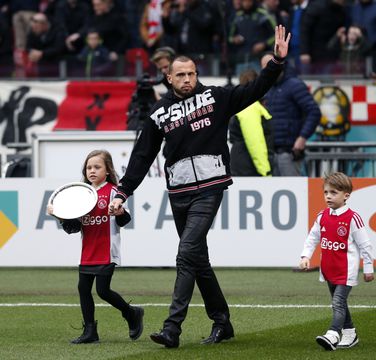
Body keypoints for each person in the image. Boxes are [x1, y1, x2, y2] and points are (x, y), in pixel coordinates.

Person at [109, 25, 291, 348]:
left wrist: (276, 63)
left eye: (191, 73)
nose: (187, 80)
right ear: (169, 77)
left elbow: (255, 89)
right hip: (178, 193)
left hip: (210, 187)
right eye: (180, 75)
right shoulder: (159, 113)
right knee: (198, 261)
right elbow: (141, 156)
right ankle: (222, 322)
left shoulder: (217, 97)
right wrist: (123, 191)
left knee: (186, 252)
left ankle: (172, 328)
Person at [46, 150, 144, 344]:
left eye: (97, 167)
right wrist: (59, 215)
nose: (92, 171)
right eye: (89, 167)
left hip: (107, 250)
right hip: (88, 251)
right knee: (83, 288)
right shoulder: (82, 194)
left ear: (107, 170)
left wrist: (120, 211)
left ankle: (131, 313)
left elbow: (126, 219)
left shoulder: (114, 192)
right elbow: (73, 228)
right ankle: (90, 331)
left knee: (102, 290)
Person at [299, 172, 374, 351]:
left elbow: (366, 245)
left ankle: (332, 334)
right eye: (326, 193)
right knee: (339, 301)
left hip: (345, 270)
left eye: (333, 193)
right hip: (328, 270)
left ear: (346, 195)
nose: (328, 196)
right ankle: (350, 333)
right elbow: (312, 238)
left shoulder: (352, 218)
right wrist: (305, 256)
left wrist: (369, 267)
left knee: (338, 302)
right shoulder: (322, 216)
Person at [260, 52, 321, 176]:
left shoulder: (295, 85)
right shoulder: (266, 87)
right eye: (264, 67)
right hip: (269, 153)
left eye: (269, 66)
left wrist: (302, 138)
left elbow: (314, 112)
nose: (266, 70)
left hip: (289, 153)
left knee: (295, 192)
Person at [229, 68, 274, 176]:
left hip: (242, 164)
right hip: (250, 168)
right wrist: (265, 171)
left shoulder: (243, 104)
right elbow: (255, 142)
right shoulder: (250, 107)